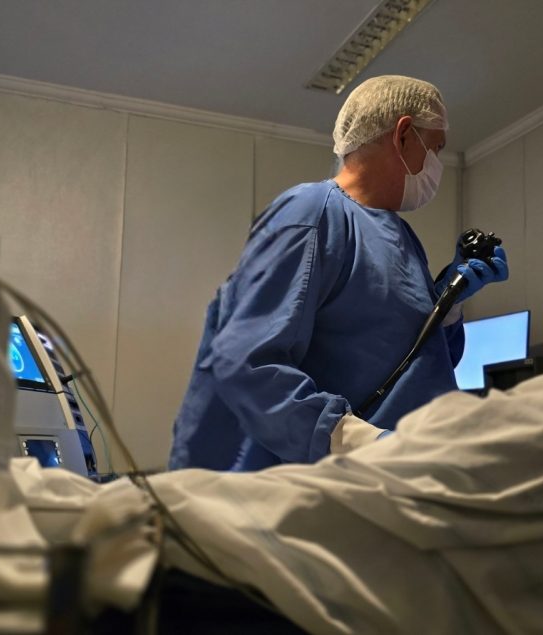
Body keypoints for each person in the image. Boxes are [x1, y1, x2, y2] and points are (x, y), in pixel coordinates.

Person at [168, 75, 509, 472]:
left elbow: (419, 365)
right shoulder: (312, 213)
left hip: (408, 466)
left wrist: (450, 302)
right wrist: (360, 441)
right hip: (346, 476)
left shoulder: (403, 236)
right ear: (403, 135)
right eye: (435, 148)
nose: (437, 164)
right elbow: (247, 364)